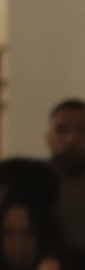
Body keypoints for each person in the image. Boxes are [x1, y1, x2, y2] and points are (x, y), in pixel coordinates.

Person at [51, 100, 85, 251]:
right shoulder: (31, 186)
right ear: (48, 138)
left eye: (82, 131)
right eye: (61, 130)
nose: (71, 139)